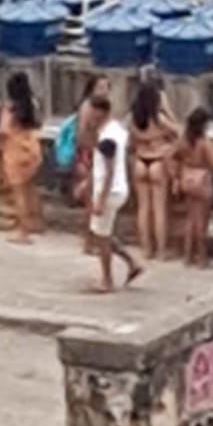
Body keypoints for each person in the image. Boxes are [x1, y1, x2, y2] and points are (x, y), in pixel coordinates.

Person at [86, 96, 145, 292]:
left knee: (102, 237)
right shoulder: (118, 131)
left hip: (109, 191)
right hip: (117, 188)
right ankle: (131, 262)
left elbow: (109, 170)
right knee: (103, 233)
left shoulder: (107, 138)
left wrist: (101, 200)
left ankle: (107, 279)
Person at [129, 80, 179, 261]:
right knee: (159, 209)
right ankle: (161, 251)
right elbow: (179, 132)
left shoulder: (133, 118)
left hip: (140, 161)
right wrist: (167, 109)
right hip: (158, 160)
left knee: (143, 208)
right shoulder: (160, 118)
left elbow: (130, 141)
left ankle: (146, 249)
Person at [172, 108, 213, 267]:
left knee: (190, 220)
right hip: (202, 181)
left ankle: (188, 257)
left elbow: (171, 156)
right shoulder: (204, 143)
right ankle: (202, 258)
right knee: (203, 221)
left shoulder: (183, 141)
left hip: (187, 178)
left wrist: (176, 177)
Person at [67, 75, 112, 253]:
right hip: (88, 155)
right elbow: (81, 136)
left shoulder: (104, 108)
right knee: (90, 200)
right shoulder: (87, 107)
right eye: (100, 87)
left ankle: (92, 239)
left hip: (96, 153)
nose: (104, 91)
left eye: (107, 88)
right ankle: (88, 241)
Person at [0, 73, 44, 244]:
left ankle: (23, 231)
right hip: (32, 147)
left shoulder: (11, 108)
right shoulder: (33, 104)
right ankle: (37, 222)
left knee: (19, 193)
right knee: (31, 188)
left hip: (16, 150)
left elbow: (4, 130)